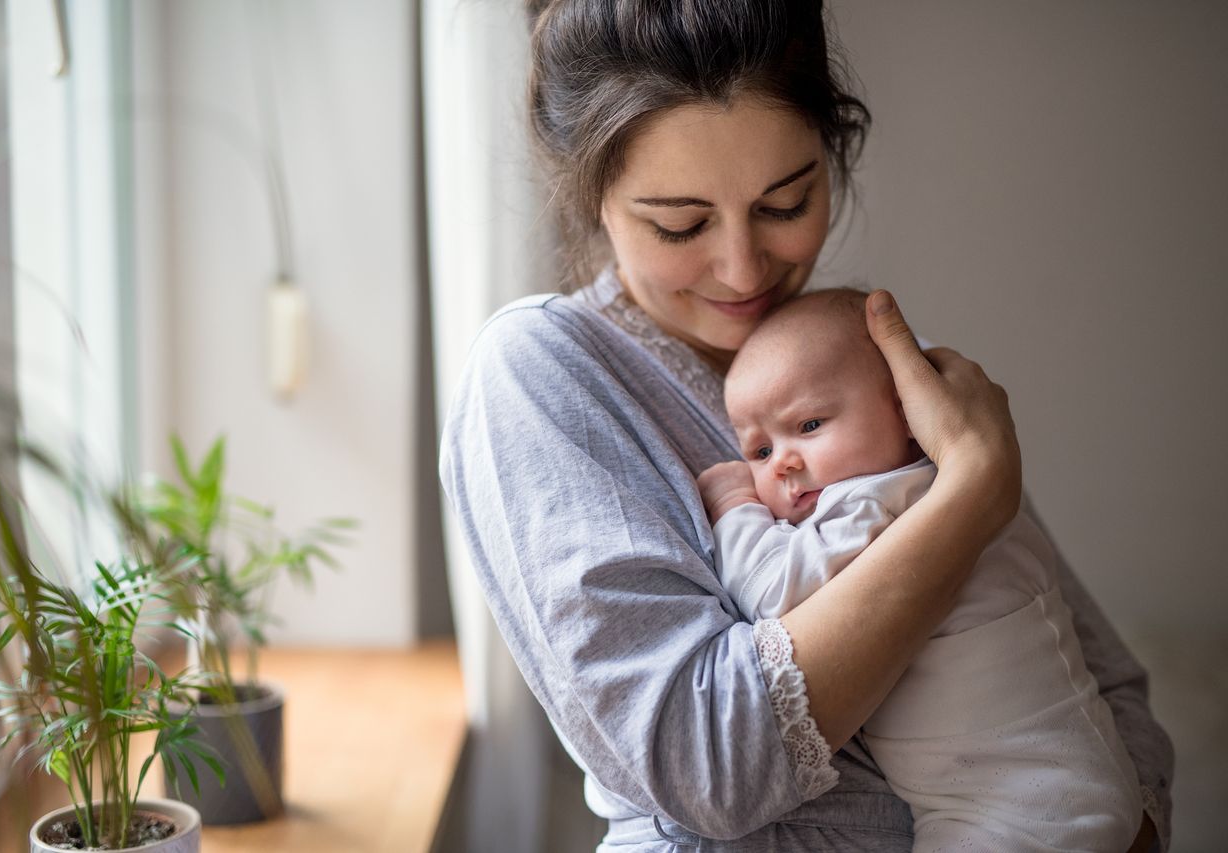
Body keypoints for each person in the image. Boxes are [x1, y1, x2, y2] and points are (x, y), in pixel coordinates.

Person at [439, 1, 1172, 849]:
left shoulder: (870, 353)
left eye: (786, 204)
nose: (744, 268)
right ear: (587, 192)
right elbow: (704, 765)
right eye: (681, 224)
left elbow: (1105, 682)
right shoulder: (539, 372)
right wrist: (969, 495)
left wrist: (1118, 823)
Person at [698, 288, 1144, 850]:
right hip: (1034, 787)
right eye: (759, 451)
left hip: (1020, 801)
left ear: (907, 411)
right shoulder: (935, 490)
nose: (783, 461)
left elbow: (772, 593)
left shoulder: (880, 501)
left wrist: (735, 509)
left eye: (809, 424)